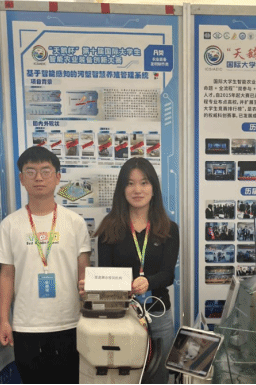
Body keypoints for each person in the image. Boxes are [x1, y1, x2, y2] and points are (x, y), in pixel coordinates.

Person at [0, 146, 91, 384]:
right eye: (31, 171)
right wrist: (4, 320)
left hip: (68, 323)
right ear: (21, 178)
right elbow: (6, 275)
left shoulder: (75, 223)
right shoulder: (10, 225)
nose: (38, 178)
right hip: (26, 326)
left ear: (57, 177)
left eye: (45, 171)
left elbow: (84, 273)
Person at [79, 157, 179, 384]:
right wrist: (94, 288)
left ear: (153, 188)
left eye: (144, 183)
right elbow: (106, 274)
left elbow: (168, 275)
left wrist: (148, 282)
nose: (137, 190)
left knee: (159, 378)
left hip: (158, 314)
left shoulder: (169, 229)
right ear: (122, 189)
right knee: (123, 377)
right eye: (130, 183)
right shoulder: (110, 227)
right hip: (121, 315)